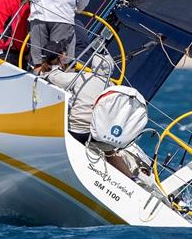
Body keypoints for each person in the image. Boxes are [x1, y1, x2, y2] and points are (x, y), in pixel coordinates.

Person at [38, 41, 131, 176]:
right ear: (110, 70)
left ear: (93, 65)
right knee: (111, 153)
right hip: (97, 135)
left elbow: (55, 77)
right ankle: (131, 178)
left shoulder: (82, 77)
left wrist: (49, 68)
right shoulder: (113, 88)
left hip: (75, 131)